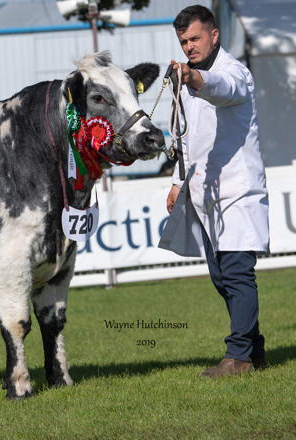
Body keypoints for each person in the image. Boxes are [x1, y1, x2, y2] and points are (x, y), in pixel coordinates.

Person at [158, 5, 269, 378]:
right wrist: (177, 181)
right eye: (183, 41)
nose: (189, 46)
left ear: (214, 35)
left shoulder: (232, 72)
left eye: (194, 38)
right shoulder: (190, 81)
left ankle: (237, 358)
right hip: (204, 193)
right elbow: (187, 139)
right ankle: (253, 349)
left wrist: (194, 80)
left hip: (237, 191)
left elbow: (224, 90)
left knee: (238, 274)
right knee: (222, 278)